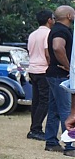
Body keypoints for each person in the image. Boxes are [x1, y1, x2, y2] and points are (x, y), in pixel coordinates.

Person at [44, 5, 74, 152]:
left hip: (53, 73)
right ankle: (70, 145)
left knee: (54, 109)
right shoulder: (61, 30)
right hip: (60, 75)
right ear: (69, 16)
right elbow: (57, 47)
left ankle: (51, 142)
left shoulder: (56, 29)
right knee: (66, 110)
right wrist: (69, 67)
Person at [26, 9, 53, 140]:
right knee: (45, 101)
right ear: (49, 20)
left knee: (36, 101)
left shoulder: (33, 34)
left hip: (32, 69)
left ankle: (34, 127)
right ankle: (36, 129)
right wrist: (51, 65)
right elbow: (47, 52)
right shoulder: (48, 33)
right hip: (43, 70)